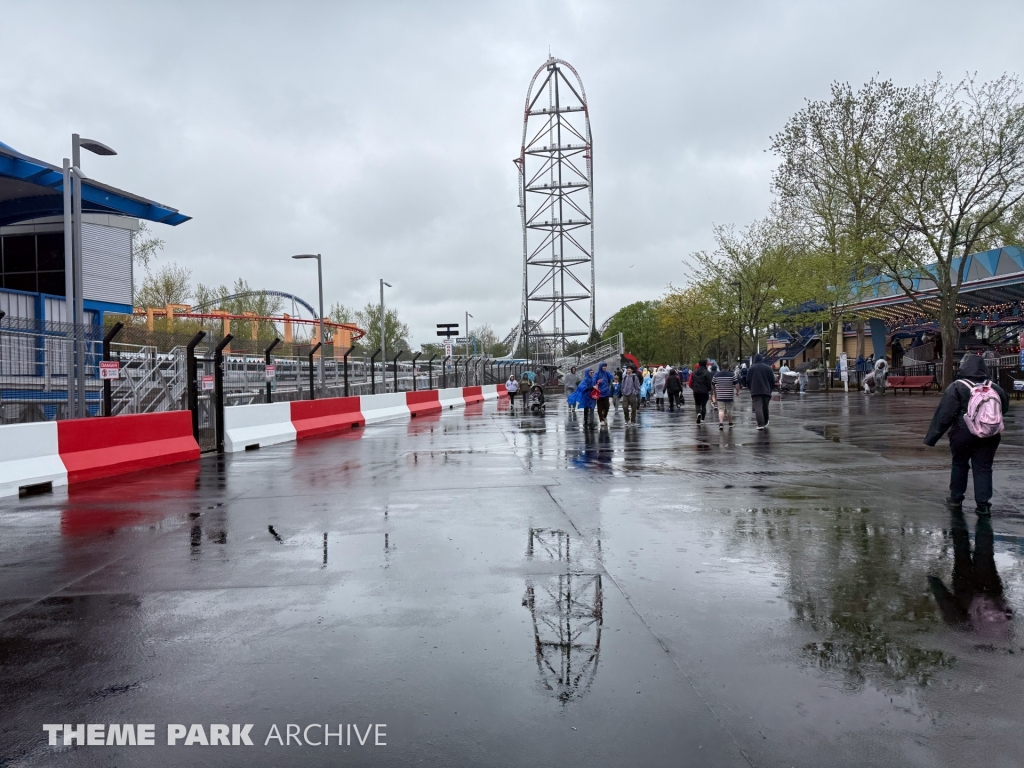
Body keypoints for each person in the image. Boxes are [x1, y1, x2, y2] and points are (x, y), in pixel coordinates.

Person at [924, 354, 1009, 516]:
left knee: (959, 464)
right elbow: (1003, 408)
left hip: (963, 432)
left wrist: (932, 437)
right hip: (990, 434)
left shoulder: (957, 387)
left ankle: (956, 498)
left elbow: (945, 414)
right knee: (984, 467)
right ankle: (983, 504)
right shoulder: (994, 387)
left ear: (963, 367)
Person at [747, 353, 775, 430]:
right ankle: (766, 421)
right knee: (765, 407)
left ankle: (760, 424)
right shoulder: (768, 368)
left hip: (755, 391)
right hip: (766, 390)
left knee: (758, 408)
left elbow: (748, 380)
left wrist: (751, 388)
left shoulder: (751, 369)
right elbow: (772, 380)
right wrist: (770, 389)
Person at [712, 362, 736, 429]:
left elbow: (713, 384)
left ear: (721, 367)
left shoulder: (716, 375)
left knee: (721, 410)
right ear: (728, 367)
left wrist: (714, 391)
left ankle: (721, 424)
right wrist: (737, 391)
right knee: (729, 410)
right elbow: (737, 384)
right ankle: (730, 423)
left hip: (720, 395)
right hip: (729, 395)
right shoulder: (732, 375)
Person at [689, 360, 714, 424]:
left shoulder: (694, 372)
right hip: (704, 391)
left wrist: (693, 388)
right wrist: (709, 389)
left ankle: (698, 413)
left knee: (697, 404)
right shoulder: (707, 372)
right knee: (704, 405)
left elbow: (692, 381)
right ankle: (702, 419)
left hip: (696, 391)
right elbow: (709, 382)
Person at [594, 361, 614, 426]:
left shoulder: (607, 373)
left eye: (605, 366)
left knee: (607, 406)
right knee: (599, 407)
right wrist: (597, 382)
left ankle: (604, 416)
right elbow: (593, 380)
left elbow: (611, 379)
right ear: (601, 367)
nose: (605, 367)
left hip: (606, 392)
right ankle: (601, 420)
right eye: (603, 366)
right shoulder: (597, 373)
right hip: (599, 392)